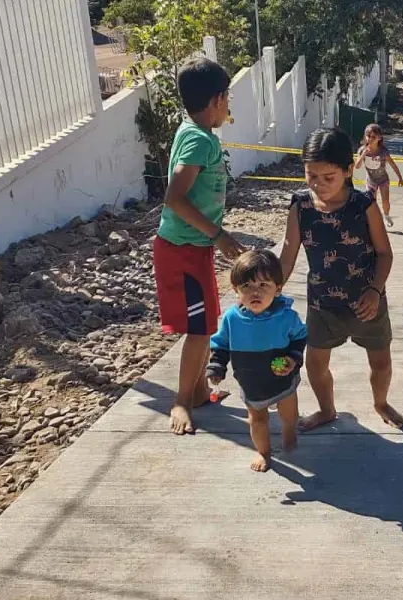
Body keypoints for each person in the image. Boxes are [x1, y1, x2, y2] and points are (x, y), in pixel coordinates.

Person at [281, 128, 403, 432]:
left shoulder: (364, 206)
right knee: (315, 364)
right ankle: (327, 410)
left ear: (349, 170)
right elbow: (287, 255)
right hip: (322, 305)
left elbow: (385, 254)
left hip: (368, 304)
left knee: (381, 363)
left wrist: (375, 291)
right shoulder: (300, 207)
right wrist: (269, 291)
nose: (318, 185)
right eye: (312, 176)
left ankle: (380, 402)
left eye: (328, 177)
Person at [153, 57, 245, 435]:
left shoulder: (197, 133)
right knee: (199, 328)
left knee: (206, 321)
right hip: (183, 250)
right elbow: (175, 198)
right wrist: (218, 234)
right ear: (218, 98)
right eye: (229, 98)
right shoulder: (196, 138)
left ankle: (201, 389)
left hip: (194, 248)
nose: (230, 106)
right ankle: (180, 400)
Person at [207, 250, 307, 472]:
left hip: (283, 379)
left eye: (264, 285)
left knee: (288, 414)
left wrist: (293, 359)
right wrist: (217, 366)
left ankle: (289, 434)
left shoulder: (286, 317)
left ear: (278, 288)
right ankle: (263, 452)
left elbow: (300, 337)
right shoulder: (232, 319)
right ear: (236, 290)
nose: (255, 292)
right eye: (247, 287)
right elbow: (221, 343)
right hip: (251, 381)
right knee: (257, 420)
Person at [353, 123, 403, 229]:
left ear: (379, 138)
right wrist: (363, 154)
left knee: (385, 201)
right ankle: (373, 221)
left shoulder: (383, 151)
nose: (370, 139)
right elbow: (357, 166)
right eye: (368, 136)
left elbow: (392, 164)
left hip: (383, 180)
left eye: (373, 137)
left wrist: (400, 177)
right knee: (372, 203)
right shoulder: (363, 150)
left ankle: (386, 216)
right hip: (370, 181)